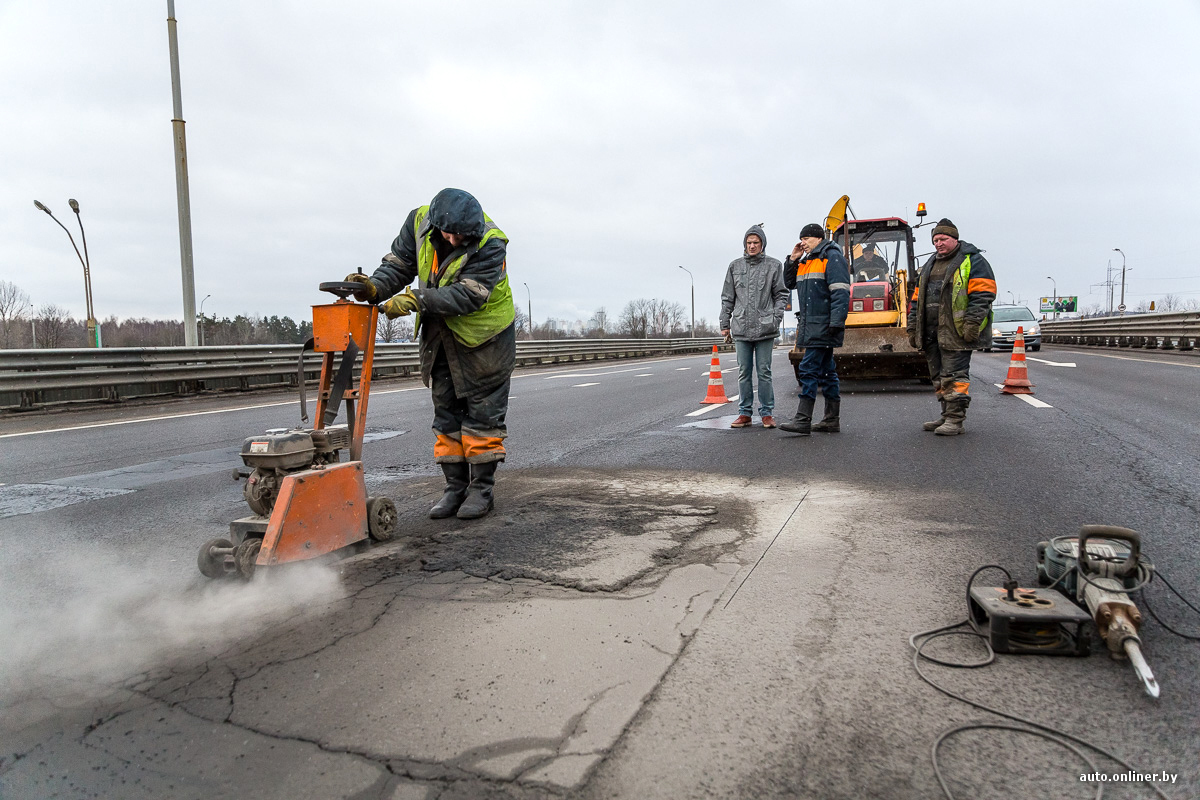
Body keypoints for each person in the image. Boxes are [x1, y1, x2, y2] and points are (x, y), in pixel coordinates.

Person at [345, 188, 516, 519]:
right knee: (446, 413)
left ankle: (481, 491)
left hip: (486, 340)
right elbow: (400, 262)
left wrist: (416, 300)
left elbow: (468, 296)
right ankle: (455, 489)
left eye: (462, 236)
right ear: (436, 224)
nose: (454, 241)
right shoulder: (419, 222)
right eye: (449, 233)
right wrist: (374, 288)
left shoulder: (491, 244)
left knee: (482, 416)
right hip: (441, 335)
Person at [906, 218, 996, 436]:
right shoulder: (930, 264)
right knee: (937, 375)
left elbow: (982, 295)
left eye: (943, 239)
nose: (938, 243)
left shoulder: (973, 261)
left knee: (954, 375)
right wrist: (912, 327)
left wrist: (972, 324)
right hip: (931, 332)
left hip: (956, 331)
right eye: (935, 240)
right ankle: (946, 414)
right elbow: (916, 300)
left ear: (955, 239)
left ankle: (956, 420)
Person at [780, 223, 850, 435]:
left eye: (807, 239)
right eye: (802, 239)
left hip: (824, 324)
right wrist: (792, 259)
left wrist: (836, 322)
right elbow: (790, 283)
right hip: (812, 324)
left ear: (819, 238)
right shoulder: (807, 261)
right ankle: (831, 420)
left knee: (808, 369)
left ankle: (803, 420)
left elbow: (840, 291)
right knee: (827, 372)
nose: (803, 242)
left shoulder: (832, 257)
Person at [720, 224, 788, 428]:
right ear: (744, 244)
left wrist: (775, 317)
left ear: (762, 244)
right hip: (741, 327)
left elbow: (781, 294)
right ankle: (744, 413)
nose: (752, 246)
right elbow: (727, 297)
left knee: (764, 371)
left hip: (765, 328)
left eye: (755, 242)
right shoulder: (735, 266)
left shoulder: (774, 266)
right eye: (749, 243)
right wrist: (725, 323)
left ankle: (767, 413)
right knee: (743, 371)